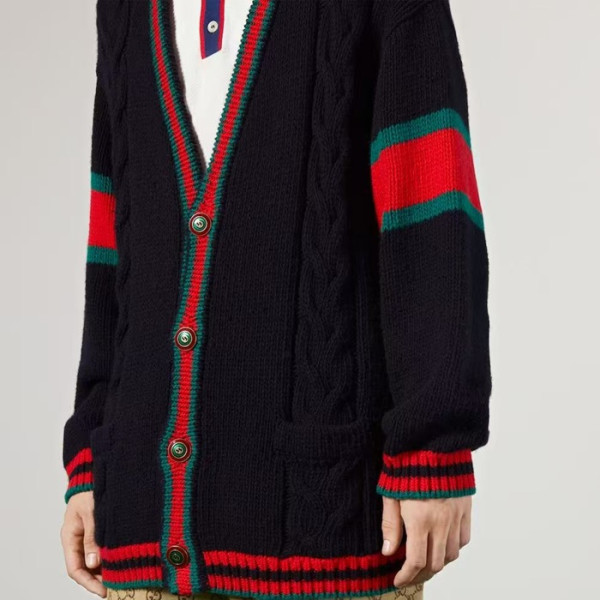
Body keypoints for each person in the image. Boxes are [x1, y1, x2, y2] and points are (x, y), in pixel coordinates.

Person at [60, 1, 491, 599]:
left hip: (322, 536)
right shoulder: (124, 10)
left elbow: (431, 219)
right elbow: (114, 248)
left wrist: (434, 446)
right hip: (140, 533)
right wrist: (90, 453)